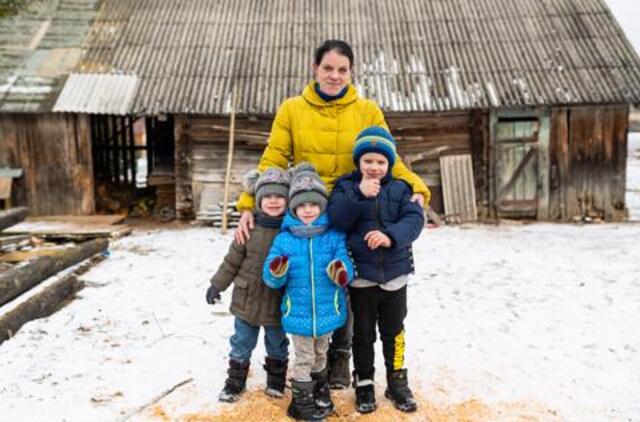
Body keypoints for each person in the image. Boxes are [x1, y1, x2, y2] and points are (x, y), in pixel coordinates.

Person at [235, 39, 431, 388]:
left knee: (346, 278)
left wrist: (417, 187)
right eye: (328, 68)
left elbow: (390, 158)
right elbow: (274, 159)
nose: (335, 76)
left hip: (352, 209)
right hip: (307, 211)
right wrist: (249, 203)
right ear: (315, 69)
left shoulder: (367, 110)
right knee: (308, 281)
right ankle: (306, 356)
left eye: (342, 70)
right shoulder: (292, 109)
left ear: (351, 72)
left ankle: (340, 355)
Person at [327, 127, 425, 414]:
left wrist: (390, 236)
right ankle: (364, 382)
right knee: (363, 334)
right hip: (362, 279)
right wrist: (358, 194)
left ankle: (397, 382)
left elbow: (414, 219)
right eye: (368, 160)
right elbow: (338, 220)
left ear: (389, 163)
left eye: (381, 162)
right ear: (358, 162)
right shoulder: (346, 188)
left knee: (395, 332)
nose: (374, 167)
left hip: (395, 277)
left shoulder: (401, 188)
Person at [263, 163, 354, 421]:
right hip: (299, 312)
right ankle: (300, 401)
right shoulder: (284, 239)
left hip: (327, 309)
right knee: (304, 357)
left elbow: (345, 263)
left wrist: (341, 270)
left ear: (322, 206)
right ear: (293, 208)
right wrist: (276, 270)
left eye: (313, 204)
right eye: (302, 205)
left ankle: (319, 390)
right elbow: (270, 276)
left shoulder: (334, 236)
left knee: (321, 353)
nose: (308, 210)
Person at [206, 168, 291, 402]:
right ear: (258, 200)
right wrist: (217, 285)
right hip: (247, 298)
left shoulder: (291, 232)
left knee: (277, 343)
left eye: (279, 196)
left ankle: (276, 381)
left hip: (277, 300)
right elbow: (232, 261)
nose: (273, 201)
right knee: (241, 341)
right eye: (267, 196)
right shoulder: (248, 228)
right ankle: (235, 381)